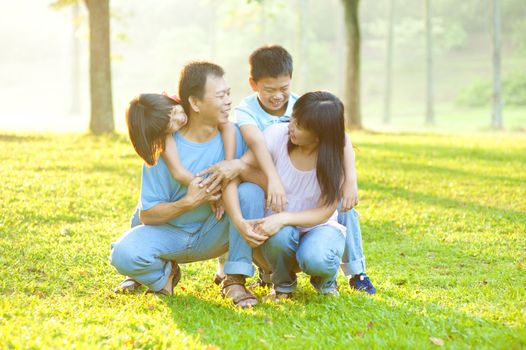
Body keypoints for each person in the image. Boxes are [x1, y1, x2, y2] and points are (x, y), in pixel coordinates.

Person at [201, 45, 376, 294]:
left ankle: (352, 272)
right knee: (253, 199)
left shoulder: (304, 107)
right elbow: (256, 144)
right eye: (269, 89)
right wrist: (266, 178)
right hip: (264, 178)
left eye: (284, 88)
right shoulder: (249, 113)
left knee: (343, 205)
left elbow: (340, 136)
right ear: (254, 84)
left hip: (303, 191)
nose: (278, 96)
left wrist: (351, 180)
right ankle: (251, 273)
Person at [110, 61, 263, 308]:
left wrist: (237, 167)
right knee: (123, 254)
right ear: (194, 102)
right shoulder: (162, 146)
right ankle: (164, 275)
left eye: (228, 94)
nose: (228, 101)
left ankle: (234, 279)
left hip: (217, 230)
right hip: (172, 235)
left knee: (252, 193)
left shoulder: (238, 134)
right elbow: (147, 215)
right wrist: (190, 201)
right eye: (220, 95)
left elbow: (266, 185)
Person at [226, 91, 348, 298]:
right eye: (293, 118)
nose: (290, 126)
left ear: (318, 136)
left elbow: (326, 211)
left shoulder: (335, 159)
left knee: (317, 258)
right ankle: (283, 286)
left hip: (319, 227)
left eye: (299, 125)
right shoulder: (276, 134)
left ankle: (325, 281)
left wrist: (283, 218)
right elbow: (242, 167)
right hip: (280, 231)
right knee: (279, 237)